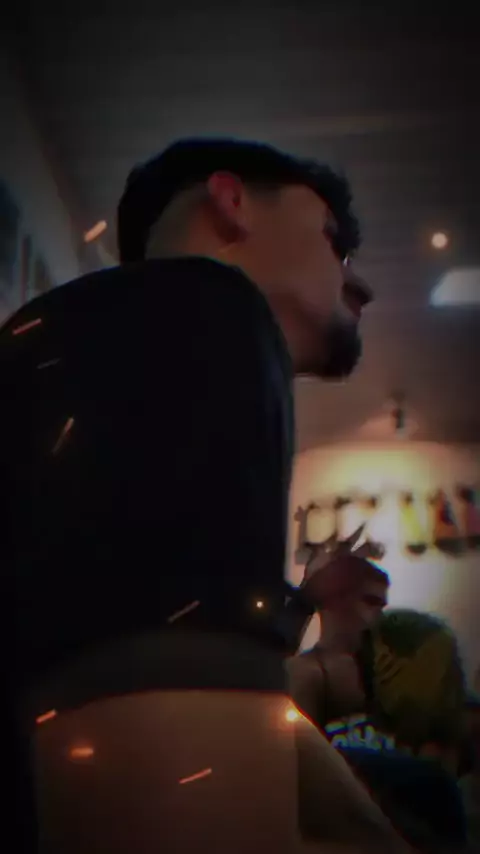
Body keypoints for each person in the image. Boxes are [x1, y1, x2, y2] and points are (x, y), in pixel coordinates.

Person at [2, 138, 412, 852]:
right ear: (231, 202)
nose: (360, 286)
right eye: (332, 241)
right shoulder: (206, 308)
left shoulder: (109, 342)